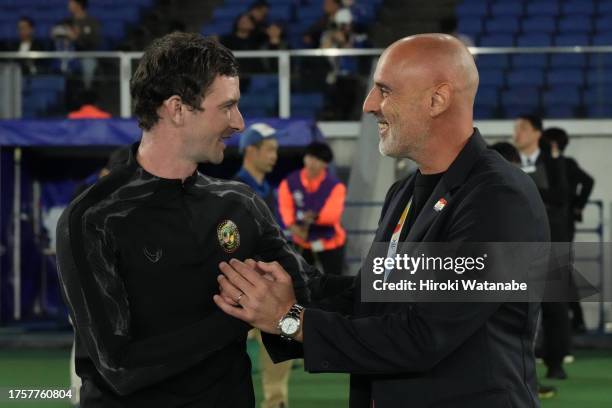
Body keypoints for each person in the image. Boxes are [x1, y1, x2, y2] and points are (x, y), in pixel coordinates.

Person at [215, 34, 549, 408]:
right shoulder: (405, 191)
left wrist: (291, 319)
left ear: (437, 100)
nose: (369, 104)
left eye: (384, 90)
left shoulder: (499, 198)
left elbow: (424, 334)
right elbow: (373, 300)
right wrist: (284, 286)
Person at [55, 32, 320, 408]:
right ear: (177, 108)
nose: (239, 123)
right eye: (226, 107)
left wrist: (407, 282)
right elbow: (118, 365)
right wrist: (243, 316)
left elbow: (310, 290)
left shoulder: (240, 203)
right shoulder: (93, 218)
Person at [233, 123, 293, 408]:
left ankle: (275, 403)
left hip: (268, 288)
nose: (274, 156)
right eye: (269, 150)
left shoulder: (270, 191)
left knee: (279, 352)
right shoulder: (234, 192)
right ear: (251, 151)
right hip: (239, 290)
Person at [513, 115, 571, 380]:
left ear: (537, 133)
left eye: (523, 128)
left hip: (551, 242)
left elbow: (562, 196)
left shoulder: (554, 162)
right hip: (516, 243)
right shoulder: (505, 161)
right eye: (515, 128)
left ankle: (555, 361)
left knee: (554, 305)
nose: (517, 133)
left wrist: (527, 188)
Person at [542, 127, 595, 334]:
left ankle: (573, 319)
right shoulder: (567, 164)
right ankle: (575, 319)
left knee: (560, 271)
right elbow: (588, 182)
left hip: (557, 225)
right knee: (561, 271)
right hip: (564, 224)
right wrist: (578, 206)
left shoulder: (555, 165)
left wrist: (577, 205)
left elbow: (588, 182)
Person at [278, 142, 347, 276]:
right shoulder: (289, 183)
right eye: (310, 157)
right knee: (302, 281)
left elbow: (332, 215)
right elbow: (285, 209)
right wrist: (294, 228)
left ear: (325, 164)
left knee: (334, 281)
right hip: (301, 241)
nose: (312, 162)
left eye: (318, 160)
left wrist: (314, 217)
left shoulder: (336, 186)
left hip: (330, 242)